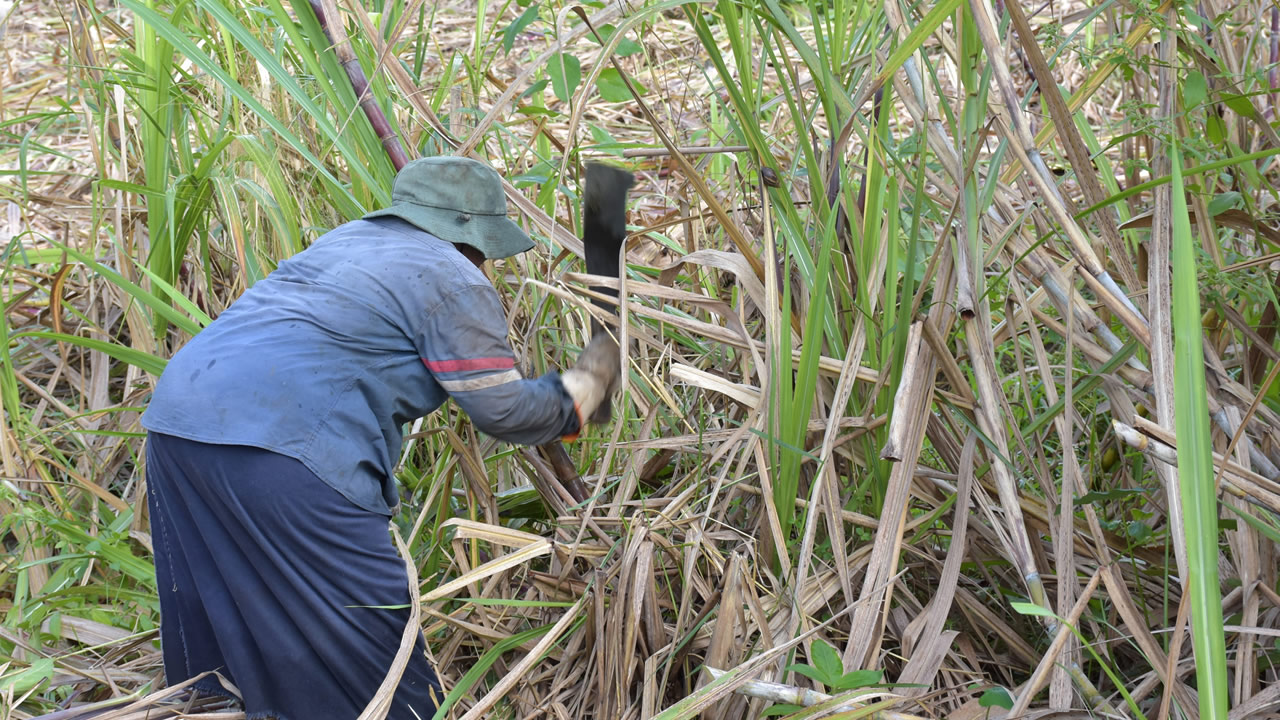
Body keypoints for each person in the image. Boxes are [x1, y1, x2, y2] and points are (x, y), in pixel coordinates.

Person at [139, 156, 620, 719]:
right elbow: (504, 411)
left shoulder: (344, 243)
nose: (486, 266)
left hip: (177, 427)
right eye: (487, 253)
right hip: (287, 451)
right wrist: (581, 392)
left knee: (220, 648)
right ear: (471, 236)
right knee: (380, 655)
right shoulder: (452, 276)